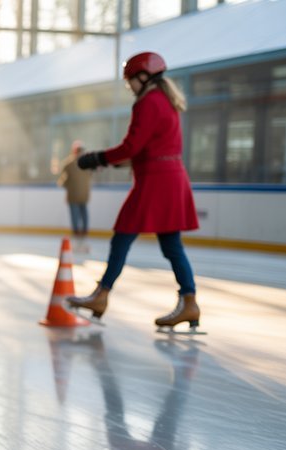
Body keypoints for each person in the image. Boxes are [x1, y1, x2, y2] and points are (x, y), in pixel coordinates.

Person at [68, 52, 202, 333]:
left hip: (156, 182)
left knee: (123, 235)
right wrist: (114, 161)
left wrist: (97, 158)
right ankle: (189, 302)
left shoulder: (148, 103)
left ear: (143, 77)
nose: (129, 87)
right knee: (171, 245)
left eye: (130, 81)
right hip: (169, 177)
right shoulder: (165, 101)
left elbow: (131, 146)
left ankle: (101, 296)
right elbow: (148, 149)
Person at [57, 140, 93, 249]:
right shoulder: (87, 163)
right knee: (83, 215)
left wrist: (66, 184)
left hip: (74, 195)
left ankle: (78, 235)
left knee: (76, 216)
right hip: (83, 195)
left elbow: (62, 181)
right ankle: (82, 235)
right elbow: (91, 175)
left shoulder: (68, 164)